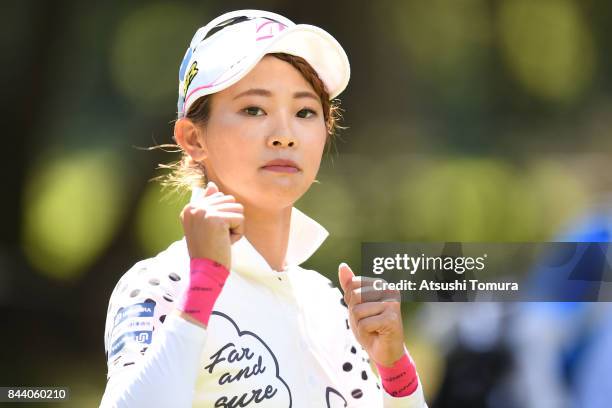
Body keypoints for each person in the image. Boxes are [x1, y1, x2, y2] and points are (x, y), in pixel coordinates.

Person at [100, 9, 427, 407]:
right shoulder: (163, 284)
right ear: (192, 137)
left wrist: (395, 371)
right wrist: (202, 288)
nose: (284, 135)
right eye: (254, 109)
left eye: (305, 112)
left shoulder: (328, 304)